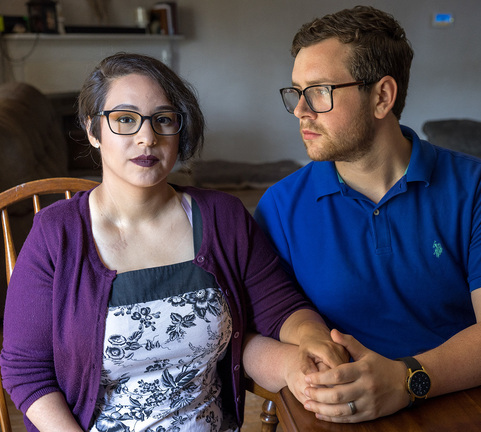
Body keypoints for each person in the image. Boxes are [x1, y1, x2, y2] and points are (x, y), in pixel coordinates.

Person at [0, 52, 345, 432]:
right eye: (125, 120)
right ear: (93, 131)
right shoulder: (56, 234)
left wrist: (305, 352)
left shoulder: (223, 217)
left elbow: (280, 309)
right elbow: (26, 371)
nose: (147, 137)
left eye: (163, 119)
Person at [246, 5, 481, 424]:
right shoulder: (279, 206)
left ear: (382, 96)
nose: (300, 110)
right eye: (296, 91)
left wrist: (408, 379)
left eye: (319, 91)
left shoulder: (479, 188)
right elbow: (254, 332)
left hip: (461, 401)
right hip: (338, 414)